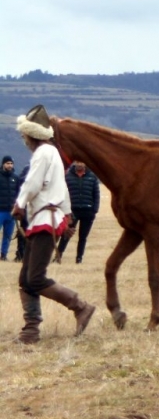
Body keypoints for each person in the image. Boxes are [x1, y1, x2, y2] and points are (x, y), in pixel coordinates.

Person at [11, 105, 96, 344]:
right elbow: (63, 189)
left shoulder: (43, 153)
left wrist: (19, 203)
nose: (24, 140)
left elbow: (32, 182)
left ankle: (81, 306)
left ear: (31, 134)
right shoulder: (53, 154)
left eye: (24, 135)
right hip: (46, 219)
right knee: (26, 279)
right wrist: (67, 216)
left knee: (35, 278)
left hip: (45, 222)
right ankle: (30, 331)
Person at [55, 160, 101, 264]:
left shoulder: (92, 177)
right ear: (74, 163)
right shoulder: (67, 177)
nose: (80, 164)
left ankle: (79, 258)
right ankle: (58, 255)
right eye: (78, 162)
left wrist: (94, 210)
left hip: (87, 211)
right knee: (66, 234)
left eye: (82, 162)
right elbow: (62, 193)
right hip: (72, 211)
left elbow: (96, 194)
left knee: (83, 237)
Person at [1, 155, 21, 261]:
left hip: (11, 212)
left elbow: (19, 194)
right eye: (7, 163)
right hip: (0, 211)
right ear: (3, 164)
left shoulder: (16, 178)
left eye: (11, 163)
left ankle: (3, 255)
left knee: (8, 235)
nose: (10, 165)